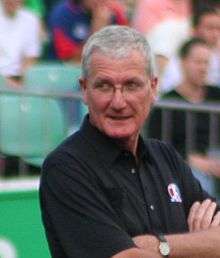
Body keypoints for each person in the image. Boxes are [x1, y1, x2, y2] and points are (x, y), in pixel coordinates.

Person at [40, 25, 220, 258]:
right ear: (84, 90)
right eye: (104, 86)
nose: (118, 101)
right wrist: (199, 246)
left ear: (153, 88)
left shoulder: (165, 156)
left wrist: (158, 245)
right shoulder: (66, 167)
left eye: (131, 85)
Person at [148, 37, 220, 196]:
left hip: (216, 158)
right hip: (186, 166)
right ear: (182, 62)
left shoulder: (217, 95)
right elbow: (155, 145)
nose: (203, 68)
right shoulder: (167, 103)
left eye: (206, 63)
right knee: (199, 182)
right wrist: (191, 160)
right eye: (198, 62)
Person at [160, 6, 220, 93]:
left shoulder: (217, 56)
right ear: (194, 29)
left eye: (218, 29)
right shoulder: (182, 57)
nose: (215, 34)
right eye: (210, 28)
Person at [48, 0, 128, 61]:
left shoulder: (113, 11)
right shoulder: (62, 15)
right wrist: (97, 30)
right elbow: (71, 60)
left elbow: (126, 50)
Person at [0, 0, 41, 86]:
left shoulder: (32, 19)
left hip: (21, 81)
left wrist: (20, 83)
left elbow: (31, 58)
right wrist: (5, 83)